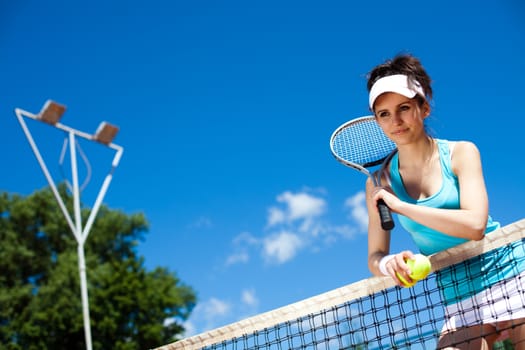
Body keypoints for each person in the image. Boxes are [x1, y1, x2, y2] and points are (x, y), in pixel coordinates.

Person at [364, 53, 525, 349]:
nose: (395, 121)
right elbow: (374, 256)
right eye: (384, 114)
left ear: (423, 108)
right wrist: (390, 264)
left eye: (404, 108)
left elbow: (475, 225)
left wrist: (401, 206)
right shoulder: (378, 183)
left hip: (512, 275)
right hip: (458, 293)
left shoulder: (461, 153)